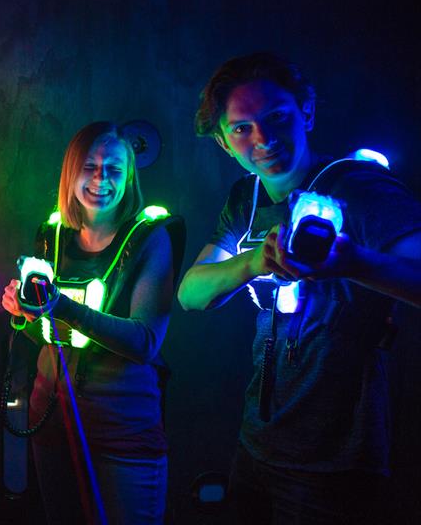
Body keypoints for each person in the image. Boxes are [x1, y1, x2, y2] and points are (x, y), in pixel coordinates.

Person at [178, 52, 421, 524]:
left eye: (276, 118)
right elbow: (191, 295)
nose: (263, 139)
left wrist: (352, 262)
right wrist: (254, 260)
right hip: (257, 443)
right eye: (241, 128)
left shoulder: (358, 186)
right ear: (224, 143)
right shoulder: (244, 199)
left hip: (336, 462)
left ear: (306, 112)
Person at [1, 121, 186, 524]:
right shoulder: (53, 236)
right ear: (71, 172)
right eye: (90, 166)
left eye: (114, 169)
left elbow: (144, 342)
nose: (101, 178)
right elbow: (47, 334)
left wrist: (62, 305)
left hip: (122, 430)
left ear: (129, 177)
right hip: (50, 421)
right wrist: (22, 314)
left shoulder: (149, 238)